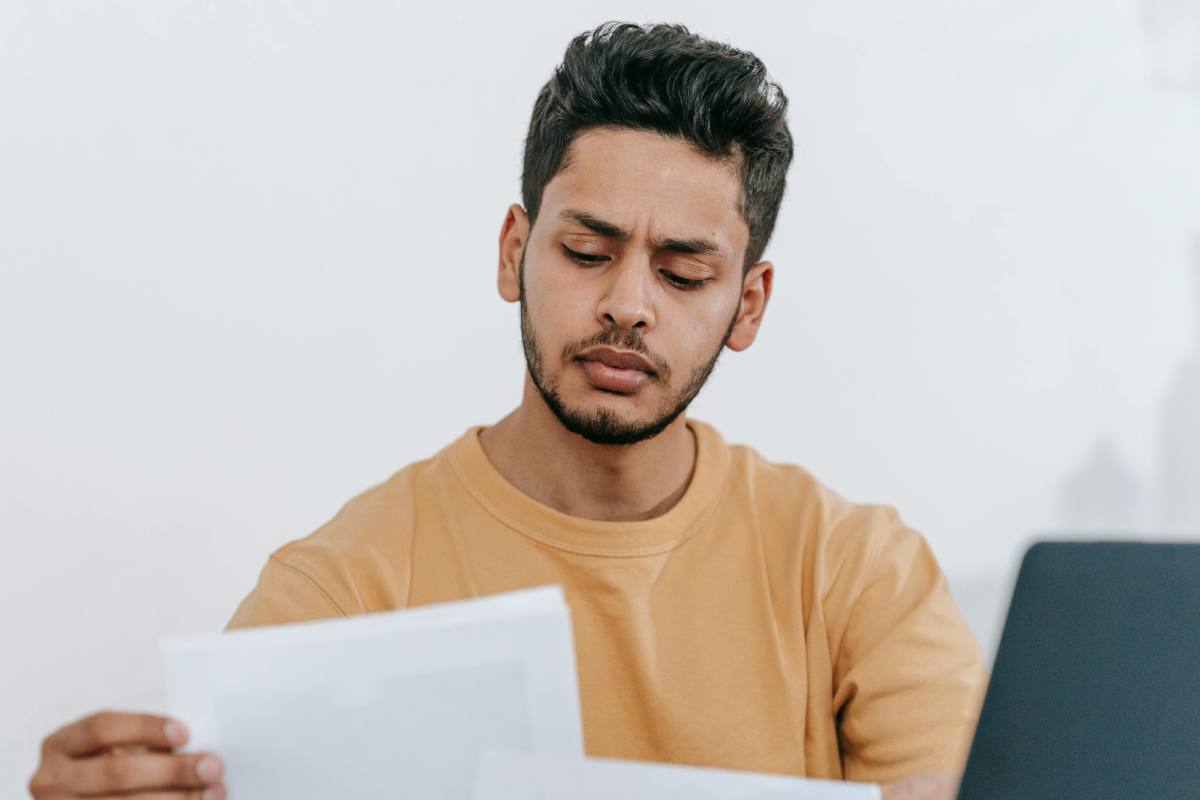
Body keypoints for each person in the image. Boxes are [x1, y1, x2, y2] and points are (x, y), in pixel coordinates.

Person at [29, 21, 986, 800]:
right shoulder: (344, 592)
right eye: (587, 253)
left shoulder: (855, 572)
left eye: (684, 273)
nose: (628, 305)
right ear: (513, 252)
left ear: (749, 305)